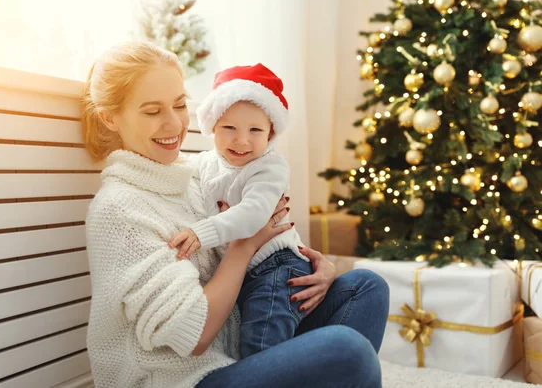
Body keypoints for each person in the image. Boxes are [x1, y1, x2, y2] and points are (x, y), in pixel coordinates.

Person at [82, 40, 389, 388]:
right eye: (153, 111)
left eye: (180, 105)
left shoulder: (194, 175)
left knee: (365, 287)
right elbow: (194, 336)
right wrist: (245, 244)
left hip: (232, 357)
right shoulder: (119, 210)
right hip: (184, 380)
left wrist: (313, 266)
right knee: (347, 351)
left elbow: (261, 220)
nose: (173, 124)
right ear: (109, 117)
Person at [169, 63, 319, 358]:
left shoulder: (270, 167)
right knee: (244, 339)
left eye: (255, 130)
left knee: (261, 342)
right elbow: (175, 170)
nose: (242, 140)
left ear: (270, 133)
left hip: (277, 266)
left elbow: (254, 215)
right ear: (212, 127)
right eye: (229, 128)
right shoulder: (206, 162)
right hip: (243, 268)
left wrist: (202, 232)